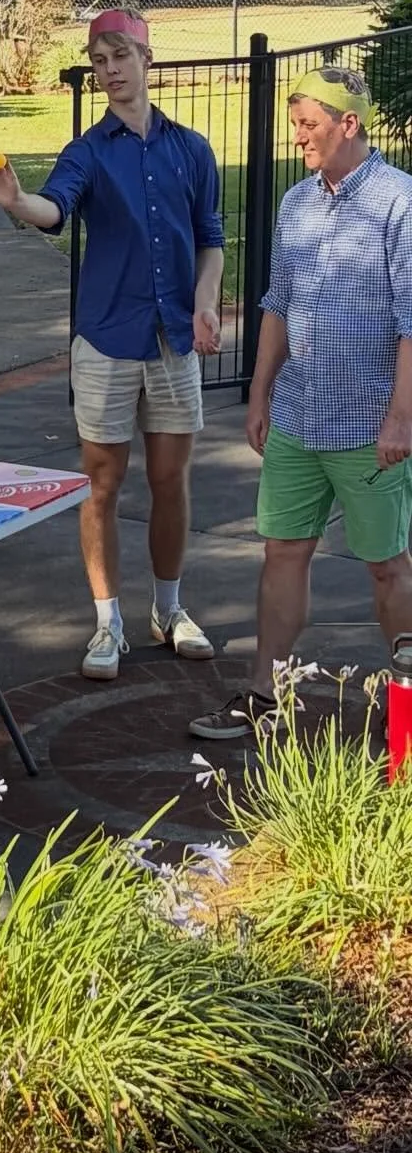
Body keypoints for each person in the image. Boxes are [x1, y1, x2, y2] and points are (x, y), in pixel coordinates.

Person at [0, 9, 224, 681]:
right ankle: (106, 620)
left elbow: (210, 241)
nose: (110, 70)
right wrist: (14, 200)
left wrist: (205, 306)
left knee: (171, 480)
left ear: (148, 60)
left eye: (120, 56)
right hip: (107, 341)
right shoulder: (88, 150)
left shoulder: (192, 149)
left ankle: (168, 610)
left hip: (174, 338)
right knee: (102, 483)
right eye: (99, 60)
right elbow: (54, 209)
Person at [190, 66, 412, 739]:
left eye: (309, 125)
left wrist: (402, 418)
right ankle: (265, 695)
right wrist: (259, 392)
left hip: (370, 422)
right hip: (297, 416)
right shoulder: (295, 203)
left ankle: (406, 709)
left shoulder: (400, 202)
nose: (299, 139)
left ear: (350, 125)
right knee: (282, 552)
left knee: (386, 565)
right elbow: (277, 304)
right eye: (295, 125)